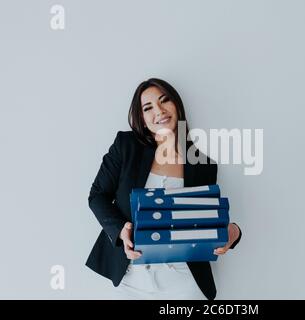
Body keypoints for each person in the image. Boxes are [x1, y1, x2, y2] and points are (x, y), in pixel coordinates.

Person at [86, 78, 242, 300]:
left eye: (164, 101)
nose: (158, 111)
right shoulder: (126, 146)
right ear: (141, 118)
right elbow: (97, 196)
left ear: (176, 105)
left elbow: (207, 221)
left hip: (183, 281)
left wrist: (233, 231)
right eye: (148, 108)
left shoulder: (203, 165)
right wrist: (121, 229)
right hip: (131, 279)